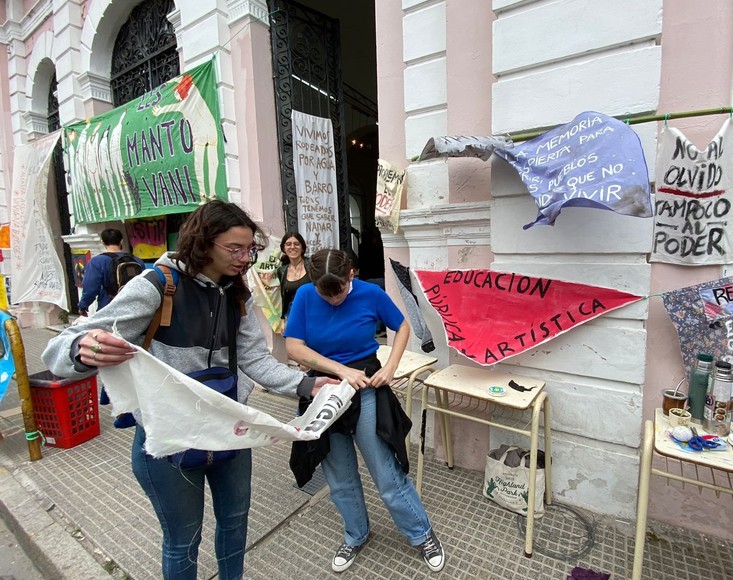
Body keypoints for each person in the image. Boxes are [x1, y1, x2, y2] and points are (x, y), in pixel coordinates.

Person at [43, 200, 338, 580]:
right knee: (183, 541)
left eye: (249, 249)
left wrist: (309, 383)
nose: (245, 258)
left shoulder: (237, 294)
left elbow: (256, 361)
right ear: (202, 242)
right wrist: (83, 350)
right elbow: (59, 351)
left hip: (230, 435)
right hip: (171, 443)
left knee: (235, 526)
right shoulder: (156, 286)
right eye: (234, 248)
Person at [284, 249, 446, 574]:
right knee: (339, 476)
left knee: (386, 474)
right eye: (324, 293)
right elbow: (294, 347)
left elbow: (401, 327)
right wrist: (340, 370)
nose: (332, 300)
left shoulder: (371, 293)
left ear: (351, 275)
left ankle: (422, 533)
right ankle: (355, 534)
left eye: (339, 291)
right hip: (324, 390)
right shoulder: (304, 295)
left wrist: (392, 367)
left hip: (366, 386)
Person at [77, 228, 145, 316]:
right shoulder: (137, 260)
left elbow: (91, 287)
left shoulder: (97, 261)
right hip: (135, 307)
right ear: (121, 241)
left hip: (109, 307)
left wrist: (83, 306)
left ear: (103, 242)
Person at [275, 232, 311, 322]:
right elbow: (284, 298)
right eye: (288, 244)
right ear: (284, 248)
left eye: (296, 244)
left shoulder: (312, 265)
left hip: (312, 312)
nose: (292, 247)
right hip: (292, 315)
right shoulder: (281, 271)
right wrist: (283, 319)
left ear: (302, 248)